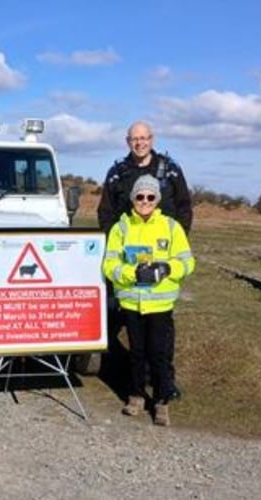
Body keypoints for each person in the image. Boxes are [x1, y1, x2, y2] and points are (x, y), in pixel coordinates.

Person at [97, 120, 193, 399]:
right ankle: (133, 384)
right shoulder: (117, 172)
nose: (139, 143)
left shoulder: (170, 170)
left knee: (163, 336)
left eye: (144, 138)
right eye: (134, 139)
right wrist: (115, 246)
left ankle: (165, 384)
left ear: (152, 139)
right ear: (128, 141)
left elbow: (185, 207)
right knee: (132, 333)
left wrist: (176, 242)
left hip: (163, 269)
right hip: (129, 270)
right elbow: (106, 214)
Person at [101, 175, 195, 426]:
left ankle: (162, 401)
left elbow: (187, 262)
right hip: (132, 302)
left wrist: (166, 268)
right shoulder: (121, 228)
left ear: (157, 200)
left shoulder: (171, 227)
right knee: (137, 353)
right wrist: (133, 273)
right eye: (140, 196)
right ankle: (136, 396)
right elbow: (109, 265)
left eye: (150, 197)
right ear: (133, 199)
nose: (145, 201)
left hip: (160, 304)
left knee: (159, 353)